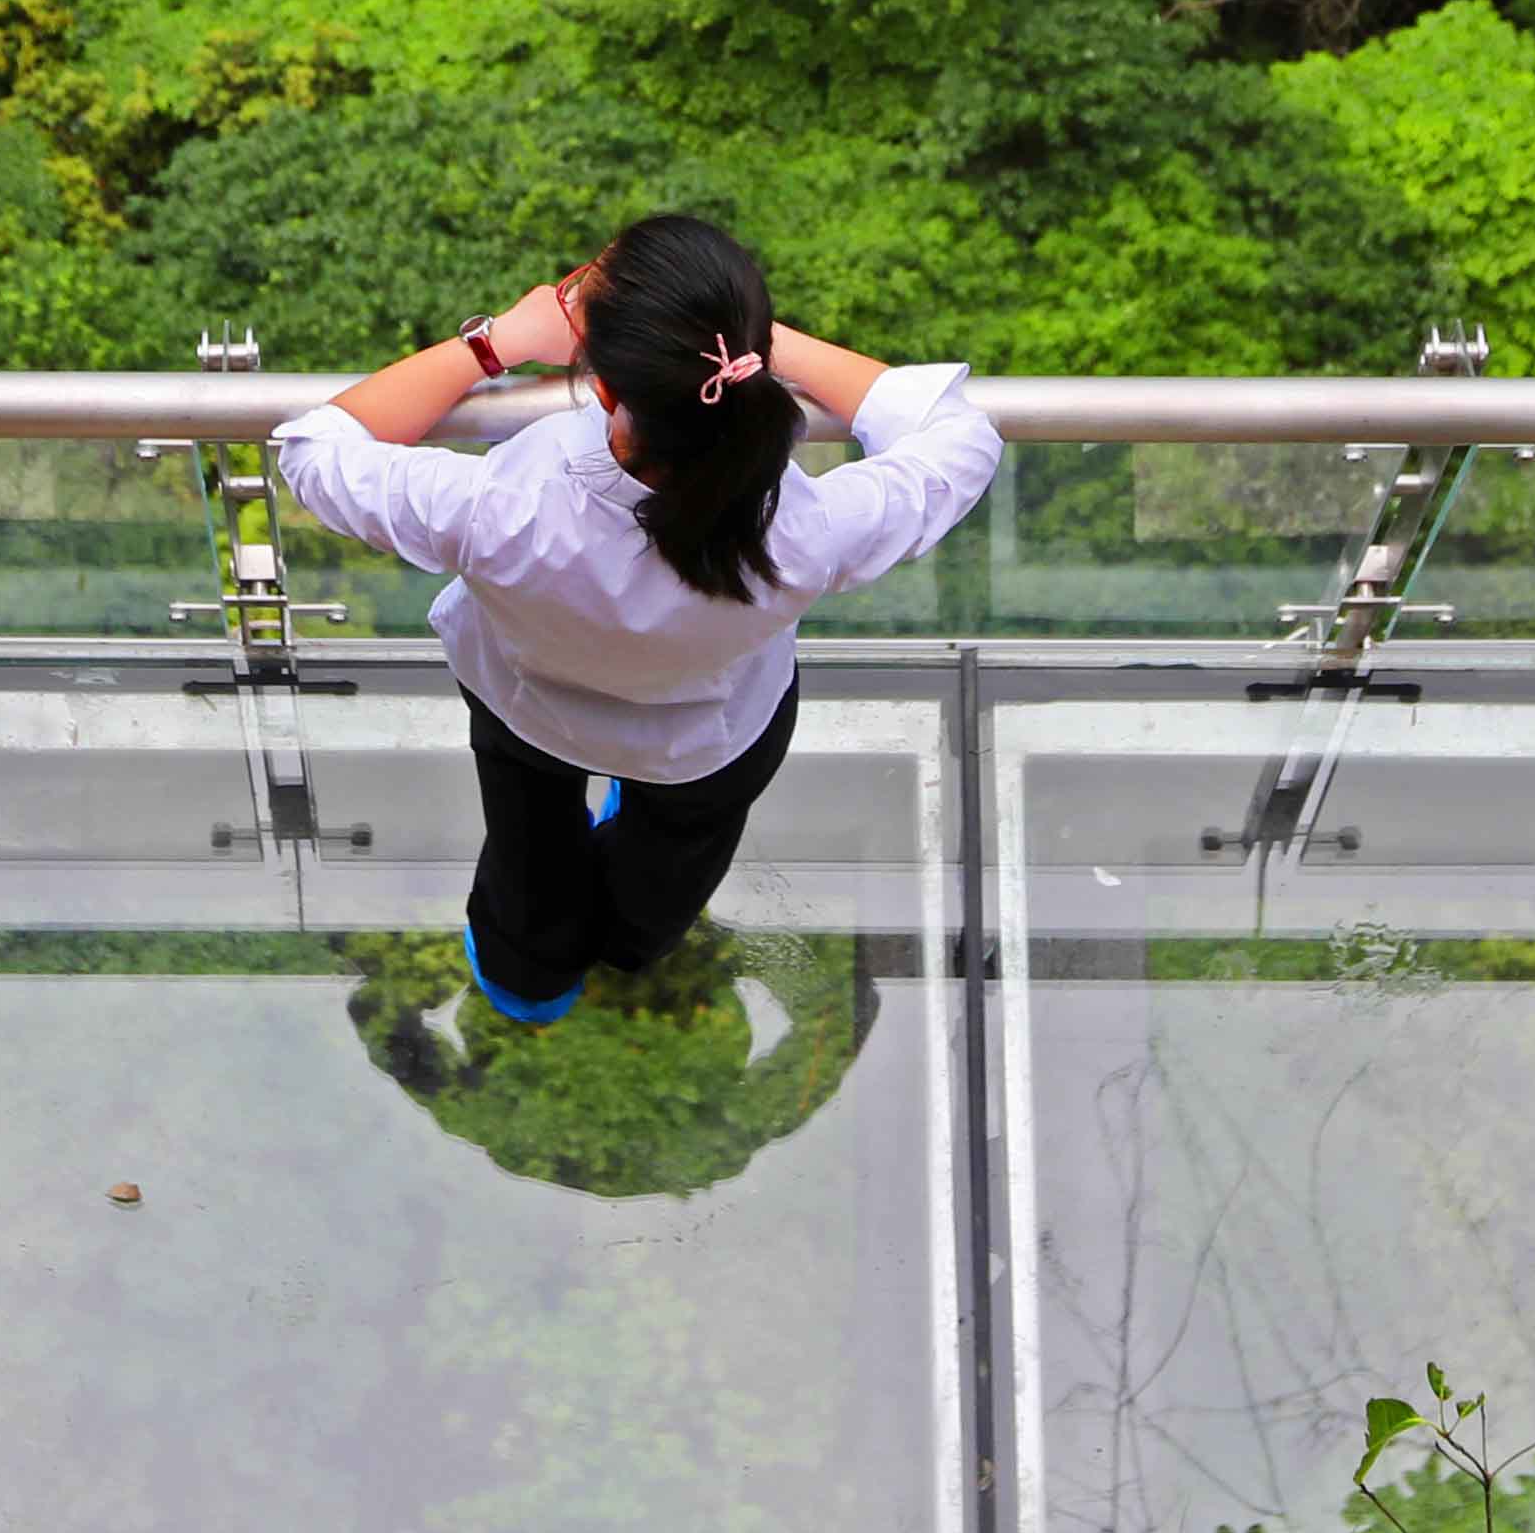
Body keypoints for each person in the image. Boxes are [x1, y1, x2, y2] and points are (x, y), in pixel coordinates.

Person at [268, 212, 1000, 1025]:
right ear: (745, 365)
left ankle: (530, 976)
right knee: (672, 867)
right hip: (706, 738)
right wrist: (755, 342)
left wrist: (497, 341)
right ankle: (633, 941)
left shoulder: (502, 505)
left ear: (606, 385)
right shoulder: (807, 527)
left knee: (529, 853)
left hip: (529, 711)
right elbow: (959, 436)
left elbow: (314, 449)